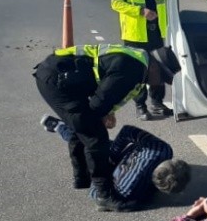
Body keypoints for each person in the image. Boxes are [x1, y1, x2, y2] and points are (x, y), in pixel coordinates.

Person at [34, 44, 181, 212]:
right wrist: (104, 116)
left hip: (63, 77)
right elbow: (97, 106)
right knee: (95, 137)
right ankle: (104, 195)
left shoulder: (139, 61)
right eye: (162, 77)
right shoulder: (132, 69)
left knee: (81, 126)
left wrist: (108, 112)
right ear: (154, 67)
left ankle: (82, 178)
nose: (161, 83)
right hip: (57, 81)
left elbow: (107, 90)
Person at [40, 117, 191, 208]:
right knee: (91, 145)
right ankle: (60, 126)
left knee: (87, 144)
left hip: (116, 166)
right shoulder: (129, 189)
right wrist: (111, 155)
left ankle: (59, 126)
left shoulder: (162, 149)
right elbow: (95, 192)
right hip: (117, 159)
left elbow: (96, 191)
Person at [112, 0, 173, 121]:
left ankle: (157, 103)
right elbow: (116, 3)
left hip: (156, 31)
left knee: (157, 69)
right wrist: (140, 11)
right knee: (138, 72)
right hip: (135, 34)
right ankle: (140, 106)